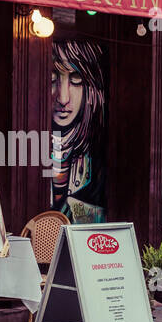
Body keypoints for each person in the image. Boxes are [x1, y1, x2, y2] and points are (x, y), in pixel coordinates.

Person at [51, 37, 107, 223]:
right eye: (52, 79)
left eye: (76, 80)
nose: (62, 97)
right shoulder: (28, 146)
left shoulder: (99, 152)